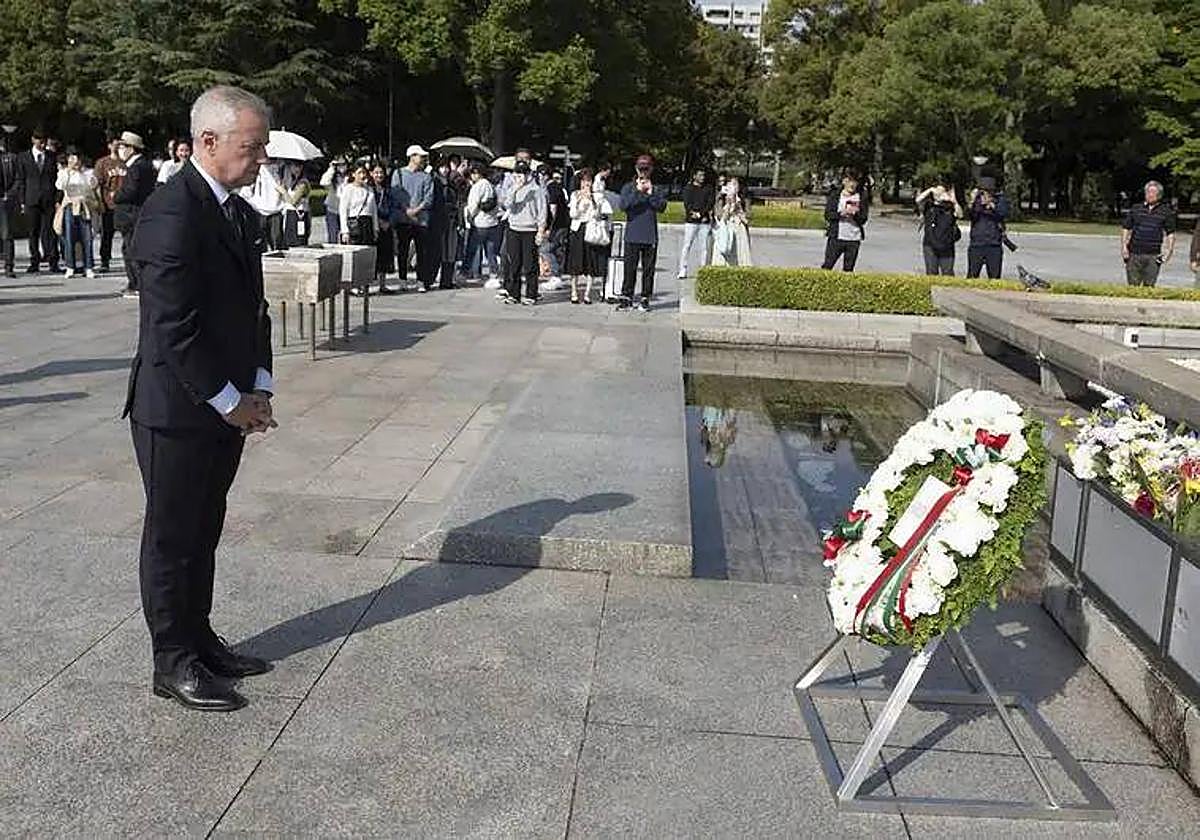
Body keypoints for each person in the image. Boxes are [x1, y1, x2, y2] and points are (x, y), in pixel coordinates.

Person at [123, 85, 277, 713]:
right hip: (178, 410)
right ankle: (172, 659)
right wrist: (228, 400)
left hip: (225, 405)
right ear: (208, 142)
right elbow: (173, 328)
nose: (261, 158)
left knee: (205, 527)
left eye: (263, 146)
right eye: (252, 147)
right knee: (172, 535)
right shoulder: (170, 212)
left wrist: (259, 387)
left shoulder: (234, 210)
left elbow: (254, 309)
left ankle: (200, 638)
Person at [618, 154, 668, 312]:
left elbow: (661, 207)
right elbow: (624, 206)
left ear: (651, 169)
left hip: (649, 235)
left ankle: (645, 297)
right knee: (629, 268)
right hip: (633, 234)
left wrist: (650, 192)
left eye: (646, 169)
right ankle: (627, 297)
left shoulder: (657, 189)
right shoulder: (628, 187)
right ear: (636, 169)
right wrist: (639, 192)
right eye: (641, 169)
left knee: (648, 270)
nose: (643, 172)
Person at [113, 131, 156, 297]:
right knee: (130, 249)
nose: (120, 150)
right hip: (137, 214)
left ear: (132, 148)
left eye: (123, 146)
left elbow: (130, 191)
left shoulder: (137, 167)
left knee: (132, 250)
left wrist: (115, 196)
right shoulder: (145, 165)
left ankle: (136, 284)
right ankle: (135, 282)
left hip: (131, 215)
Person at [500, 158, 546, 305]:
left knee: (530, 264)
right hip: (514, 228)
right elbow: (507, 205)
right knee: (514, 263)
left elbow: (542, 211)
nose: (519, 177)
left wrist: (540, 230)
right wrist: (515, 188)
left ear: (528, 174)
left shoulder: (536, 190)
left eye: (522, 174)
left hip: (530, 230)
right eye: (517, 174)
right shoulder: (512, 188)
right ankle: (514, 293)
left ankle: (531, 294)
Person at [14, 130, 59, 274]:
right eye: (39, 140)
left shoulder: (51, 156)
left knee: (50, 231)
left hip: (48, 198)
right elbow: (21, 180)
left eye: (44, 140)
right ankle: (34, 261)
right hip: (31, 198)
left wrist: (57, 199)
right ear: (33, 140)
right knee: (33, 232)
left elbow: (56, 179)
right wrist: (22, 201)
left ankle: (53, 261)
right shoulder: (23, 157)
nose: (42, 143)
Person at [566, 168, 612, 305]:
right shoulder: (574, 195)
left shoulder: (597, 196)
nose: (586, 185)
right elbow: (573, 215)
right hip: (577, 229)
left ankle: (587, 293)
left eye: (588, 181)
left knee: (590, 261)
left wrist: (592, 201)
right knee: (575, 262)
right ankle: (574, 291)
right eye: (583, 182)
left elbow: (598, 214)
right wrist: (580, 202)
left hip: (591, 229)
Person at [55, 148, 100, 279]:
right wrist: (68, 171)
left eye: (76, 158)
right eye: (71, 158)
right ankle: (70, 266)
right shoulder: (63, 172)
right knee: (69, 237)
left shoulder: (88, 172)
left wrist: (82, 173)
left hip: (84, 205)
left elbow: (93, 185)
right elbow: (60, 186)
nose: (74, 161)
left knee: (87, 237)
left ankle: (89, 266)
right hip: (70, 205)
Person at [1121, 180, 1176, 287]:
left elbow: (1171, 233)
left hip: (1153, 255)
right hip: (1134, 254)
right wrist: (1123, 247)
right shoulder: (1136, 208)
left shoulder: (1166, 212)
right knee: (1133, 286)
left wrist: (1169, 251)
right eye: (1148, 192)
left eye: (1153, 193)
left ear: (1159, 195)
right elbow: (1126, 228)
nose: (1150, 195)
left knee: (1149, 286)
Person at [821, 172, 869, 272]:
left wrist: (855, 214)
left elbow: (863, 218)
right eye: (849, 181)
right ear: (844, 182)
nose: (852, 184)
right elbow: (828, 215)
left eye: (854, 182)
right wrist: (840, 214)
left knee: (848, 269)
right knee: (827, 265)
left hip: (853, 238)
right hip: (837, 237)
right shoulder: (835, 195)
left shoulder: (861, 197)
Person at [463, 164, 501, 283]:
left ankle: (474, 273)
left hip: (479, 222)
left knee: (475, 249)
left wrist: (469, 217)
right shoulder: (490, 185)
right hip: (492, 222)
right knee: (490, 251)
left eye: (474, 173)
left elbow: (473, 205)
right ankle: (494, 273)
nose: (472, 176)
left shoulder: (477, 186)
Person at [966, 180, 1010, 279]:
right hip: (977, 244)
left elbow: (1003, 213)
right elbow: (970, 215)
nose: (985, 194)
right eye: (983, 191)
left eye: (988, 191)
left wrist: (992, 205)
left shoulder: (999, 200)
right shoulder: (976, 201)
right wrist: (973, 201)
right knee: (972, 276)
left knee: (994, 277)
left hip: (994, 244)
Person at [915, 182, 961, 276]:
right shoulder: (929, 205)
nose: (939, 194)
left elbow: (960, 214)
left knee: (947, 273)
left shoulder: (950, 207)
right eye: (937, 192)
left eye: (941, 192)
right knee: (931, 272)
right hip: (930, 244)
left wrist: (954, 201)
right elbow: (918, 200)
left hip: (947, 245)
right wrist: (930, 190)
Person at [678, 169, 715, 278]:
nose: (702, 177)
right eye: (700, 175)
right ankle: (683, 269)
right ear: (694, 176)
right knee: (687, 245)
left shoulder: (708, 188)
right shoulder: (688, 188)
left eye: (703, 175)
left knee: (704, 247)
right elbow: (687, 203)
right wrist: (692, 213)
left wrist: (701, 214)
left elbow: (710, 203)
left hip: (704, 221)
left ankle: (703, 269)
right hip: (691, 221)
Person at [94, 137, 124, 273]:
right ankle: (105, 260)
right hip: (108, 203)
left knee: (127, 234)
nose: (117, 147)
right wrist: (100, 202)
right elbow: (98, 184)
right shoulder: (103, 163)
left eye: (120, 145)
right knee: (107, 234)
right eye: (115, 145)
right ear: (109, 146)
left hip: (123, 204)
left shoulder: (125, 162)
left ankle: (129, 260)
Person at [242, 161, 286, 250]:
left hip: (276, 211)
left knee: (277, 243)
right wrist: (253, 202)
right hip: (260, 210)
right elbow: (246, 190)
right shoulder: (257, 168)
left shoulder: (283, 168)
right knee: (259, 243)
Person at [432, 156, 460, 289]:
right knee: (441, 251)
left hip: (452, 220)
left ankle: (448, 280)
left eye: (447, 167)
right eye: (442, 167)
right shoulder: (434, 182)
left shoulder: (452, 183)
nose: (445, 170)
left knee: (451, 251)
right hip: (439, 220)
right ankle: (441, 279)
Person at [712, 176, 752, 267]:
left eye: (735, 184)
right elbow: (720, 217)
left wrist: (738, 207)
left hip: (739, 228)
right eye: (729, 184)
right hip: (725, 229)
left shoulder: (744, 200)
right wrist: (728, 204)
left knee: (740, 252)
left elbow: (747, 219)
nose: (732, 187)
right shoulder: (720, 199)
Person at [339, 164, 378, 252]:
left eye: (364, 173)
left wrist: (375, 228)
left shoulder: (369, 189)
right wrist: (345, 231)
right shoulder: (348, 189)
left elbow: (373, 210)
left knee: (368, 252)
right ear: (353, 174)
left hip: (367, 224)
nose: (362, 175)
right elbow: (343, 210)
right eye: (359, 173)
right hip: (355, 224)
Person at [369, 162, 395, 293]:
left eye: (381, 172)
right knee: (372, 255)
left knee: (385, 254)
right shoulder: (368, 189)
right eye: (376, 172)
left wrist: (389, 222)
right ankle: (366, 285)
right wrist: (378, 221)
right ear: (371, 174)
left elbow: (393, 207)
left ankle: (382, 284)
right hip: (373, 225)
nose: (379, 175)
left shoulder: (388, 189)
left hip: (387, 225)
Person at [544, 168, 570, 283]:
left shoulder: (551, 188)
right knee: (558, 250)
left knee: (546, 250)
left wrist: (548, 226)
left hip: (556, 225)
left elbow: (553, 208)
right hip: (564, 223)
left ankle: (555, 274)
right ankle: (559, 274)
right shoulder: (559, 188)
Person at [277, 161, 310, 247]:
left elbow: (293, 201)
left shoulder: (303, 183)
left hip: (299, 215)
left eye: (298, 166)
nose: (296, 169)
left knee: (298, 242)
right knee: (288, 241)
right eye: (293, 166)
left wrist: (284, 192)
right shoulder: (292, 181)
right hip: (290, 214)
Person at [319, 158, 348, 244]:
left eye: (343, 164)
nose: (342, 167)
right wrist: (331, 168)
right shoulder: (332, 177)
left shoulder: (349, 177)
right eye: (339, 165)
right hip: (333, 210)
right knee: (333, 236)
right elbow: (323, 182)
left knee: (345, 236)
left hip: (346, 211)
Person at [0, 138, 16, 277]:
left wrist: (9, 194)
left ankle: (9, 266)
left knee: (7, 234)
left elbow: (17, 178)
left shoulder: (9, 158)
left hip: (3, 200)